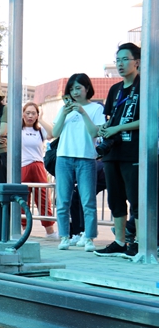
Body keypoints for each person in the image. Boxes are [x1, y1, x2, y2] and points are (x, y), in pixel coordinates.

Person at [95, 43, 141, 258]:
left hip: (134, 150)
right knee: (115, 198)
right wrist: (106, 128)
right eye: (118, 60)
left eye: (125, 59)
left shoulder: (146, 87)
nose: (121, 64)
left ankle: (140, 242)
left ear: (137, 62)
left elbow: (150, 119)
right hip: (112, 152)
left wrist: (120, 127)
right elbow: (110, 118)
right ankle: (120, 242)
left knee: (136, 198)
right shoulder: (115, 89)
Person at [52, 73, 105, 252]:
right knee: (63, 200)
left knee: (88, 200)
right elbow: (55, 132)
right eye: (71, 89)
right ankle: (64, 236)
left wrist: (82, 113)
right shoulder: (64, 109)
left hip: (86, 158)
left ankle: (89, 238)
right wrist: (64, 114)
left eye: (78, 88)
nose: (74, 92)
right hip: (64, 157)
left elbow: (95, 133)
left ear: (87, 89)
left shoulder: (96, 108)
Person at [20, 102, 57, 237]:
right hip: (23, 166)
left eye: (33, 113)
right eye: (27, 113)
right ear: (23, 114)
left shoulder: (40, 130)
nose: (30, 116)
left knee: (43, 198)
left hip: (38, 165)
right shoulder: (17, 129)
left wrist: (41, 118)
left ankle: (50, 230)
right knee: (23, 200)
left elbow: (53, 133)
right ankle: (24, 230)